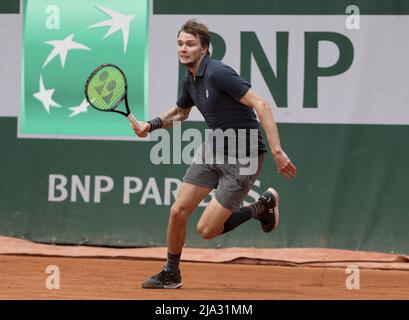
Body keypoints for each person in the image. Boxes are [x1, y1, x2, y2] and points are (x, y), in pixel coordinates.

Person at [132, 19, 296, 289]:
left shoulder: (218, 72)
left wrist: (277, 151)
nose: (183, 49)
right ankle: (171, 273)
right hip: (214, 147)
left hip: (244, 156)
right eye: (180, 44)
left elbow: (261, 105)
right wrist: (151, 125)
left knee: (207, 231)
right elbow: (181, 113)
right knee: (177, 211)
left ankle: (262, 206)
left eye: (190, 44)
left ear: (205, 48)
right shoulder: (189, 79)